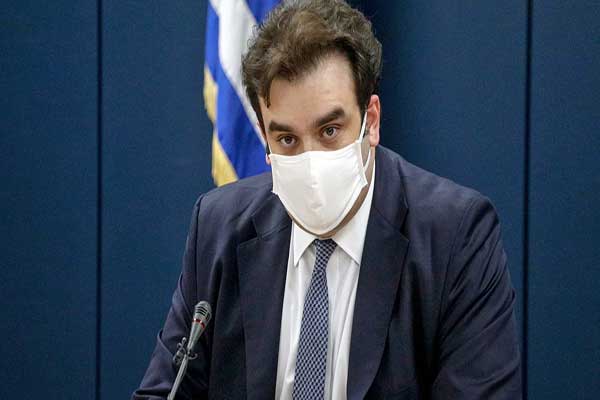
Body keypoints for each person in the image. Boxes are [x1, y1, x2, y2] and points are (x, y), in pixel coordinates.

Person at [133, 0, 522, 398]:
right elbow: (164, 391)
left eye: (330, 131)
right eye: (287, 139)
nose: (311, 160)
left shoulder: (455, 238)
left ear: (371, 121)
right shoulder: (219, 229)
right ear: (264, 138)